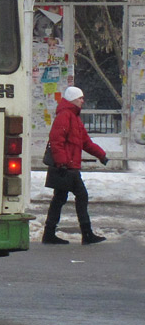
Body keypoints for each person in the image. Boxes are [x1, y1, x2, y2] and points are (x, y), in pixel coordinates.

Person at [42, 86, 108, 245]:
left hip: (68, 166)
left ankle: (49, 233)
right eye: (80, 98)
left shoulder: (74, 117)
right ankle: (86, 234)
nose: (82, 101)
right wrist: (62, 163)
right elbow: (56, 141)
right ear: (72, 99)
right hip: (66, 167)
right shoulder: (65, 116)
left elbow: (85, 142)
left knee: (59, 198)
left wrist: (101, 155)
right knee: (81, 196)